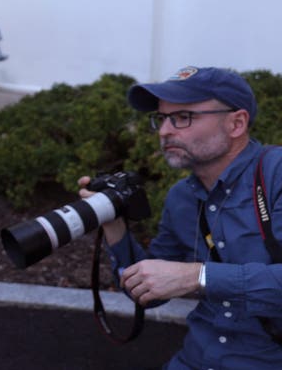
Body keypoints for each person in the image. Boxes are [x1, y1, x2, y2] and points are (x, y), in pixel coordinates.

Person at [79, 66, 282, 368]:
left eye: (183, 117)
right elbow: (149, 293)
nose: (164, 131)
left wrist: (196, 277)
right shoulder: (181, 198)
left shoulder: (275, 173)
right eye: (161, 118)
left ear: (236, 123)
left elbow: (186, 279)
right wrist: (113, 223)